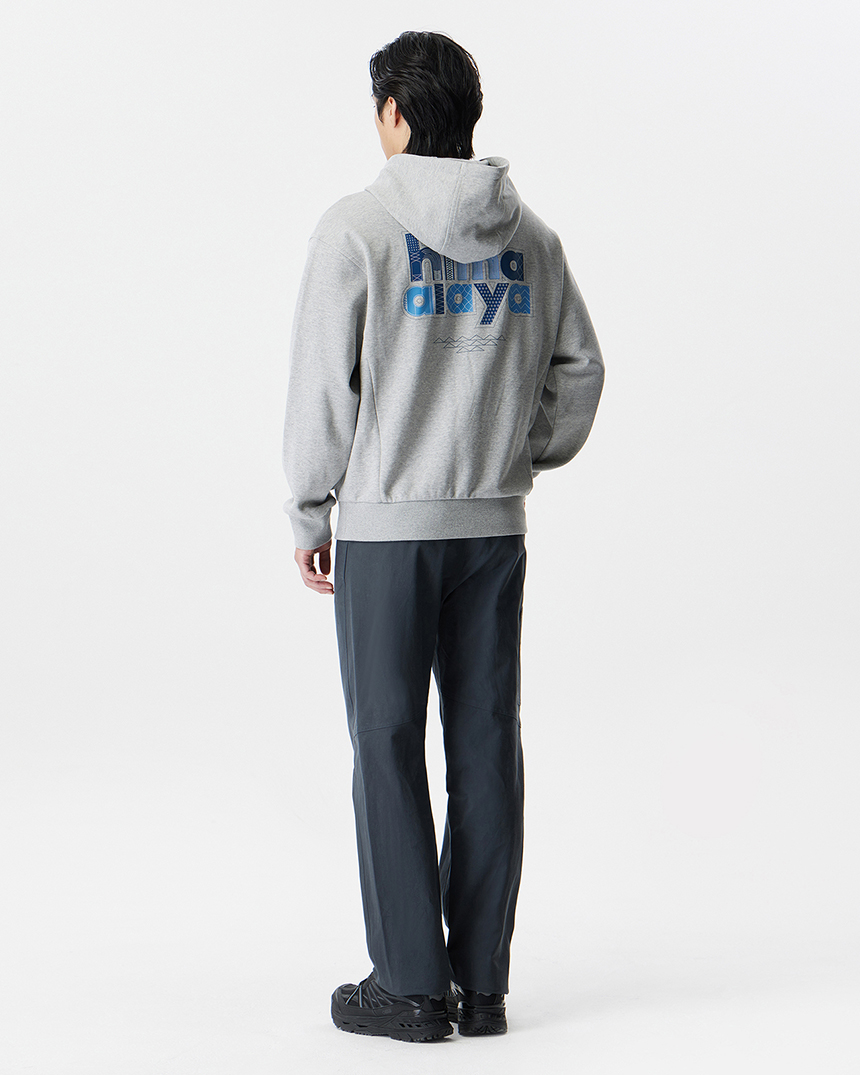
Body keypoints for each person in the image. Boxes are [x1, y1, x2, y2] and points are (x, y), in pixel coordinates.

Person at [282, 30, 604, 1043]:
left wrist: (309, 507)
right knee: (485, 738)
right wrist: (515, 454)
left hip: (386, 529)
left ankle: (410, 988)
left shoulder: (355, 230)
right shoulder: (531, 238)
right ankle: (482, 984)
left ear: (393, 113)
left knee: (386, 742)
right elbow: (582, 371)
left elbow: (321, 390)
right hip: (491, 531)